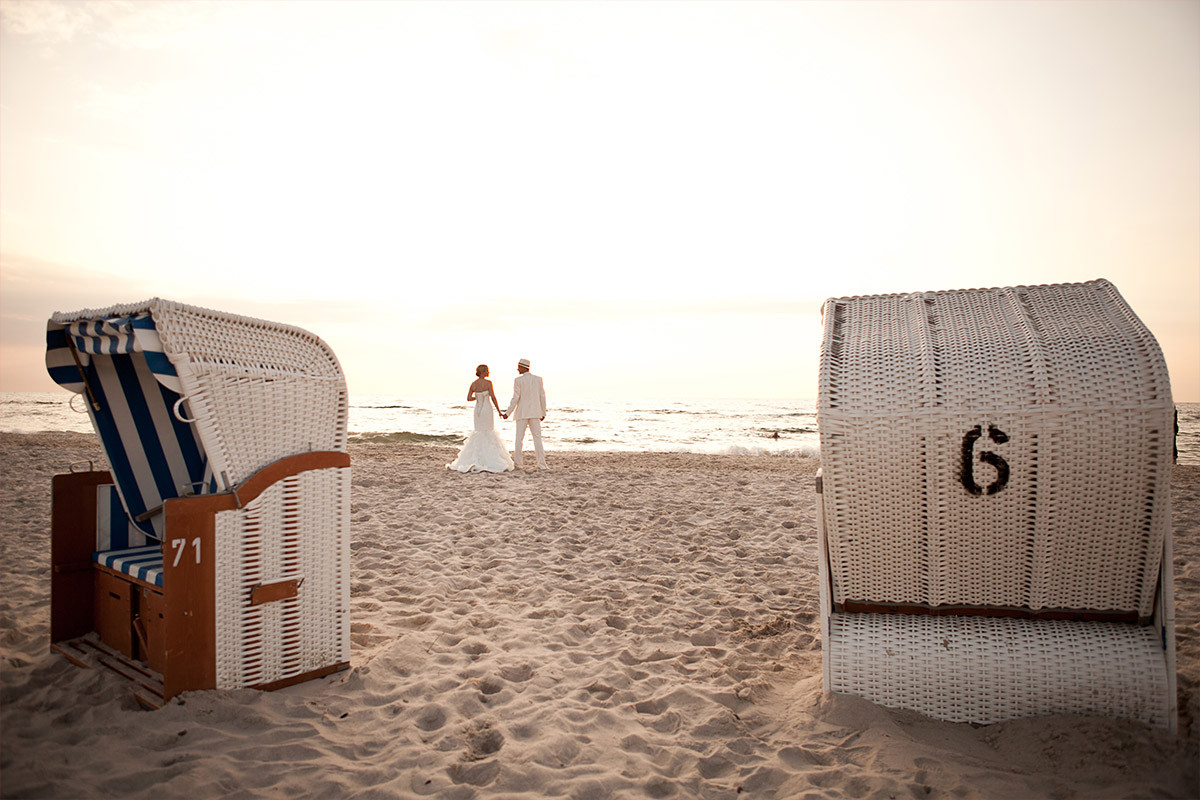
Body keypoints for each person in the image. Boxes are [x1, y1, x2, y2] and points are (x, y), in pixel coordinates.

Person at [446, 365, 515, 473]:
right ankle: (489, 458)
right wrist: (499, 411)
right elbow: (493, 397)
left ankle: (477, 457)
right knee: (488, 431)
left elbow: (468, 398)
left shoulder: (474, 384)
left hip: (477, 410)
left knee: (479, 431)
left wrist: (477, 397)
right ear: (483, 372)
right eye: (487, 370)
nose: (489, 372)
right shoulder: (488, 383)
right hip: (487, 409)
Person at [503, 358, 548, 470]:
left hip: (522, 413)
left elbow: (515, 398)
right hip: (535, 413)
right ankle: (542, 465)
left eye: (519, 366)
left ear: (523, 367)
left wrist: (508, 413)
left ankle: (518, 464)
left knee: (519, 439)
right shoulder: (538, 379)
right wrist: (543, 412)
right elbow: (542, 396)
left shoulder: (518, 380)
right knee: (537, 439)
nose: (517, 369)